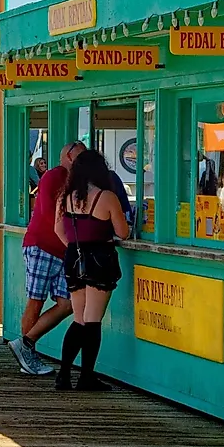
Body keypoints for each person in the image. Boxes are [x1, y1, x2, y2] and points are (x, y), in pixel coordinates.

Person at [54, 148, 131, 391]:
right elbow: (123, 232)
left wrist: (76, 248)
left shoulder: (65, 197)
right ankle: (86, 376)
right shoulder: (106, 197)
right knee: (93, 320)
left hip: (74, 258)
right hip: (100, 259)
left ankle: (63, 374)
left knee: (79, 318)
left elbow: (58, 230)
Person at [8, 141, 84, 376]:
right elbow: (54, 215)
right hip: (41, 246)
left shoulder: (77, 181)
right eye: (82, 156)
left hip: (63, 251)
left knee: (68, 303)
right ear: (69, 156)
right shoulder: (54, 176)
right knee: (36, 300)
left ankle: (26, 344)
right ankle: (28, 358)